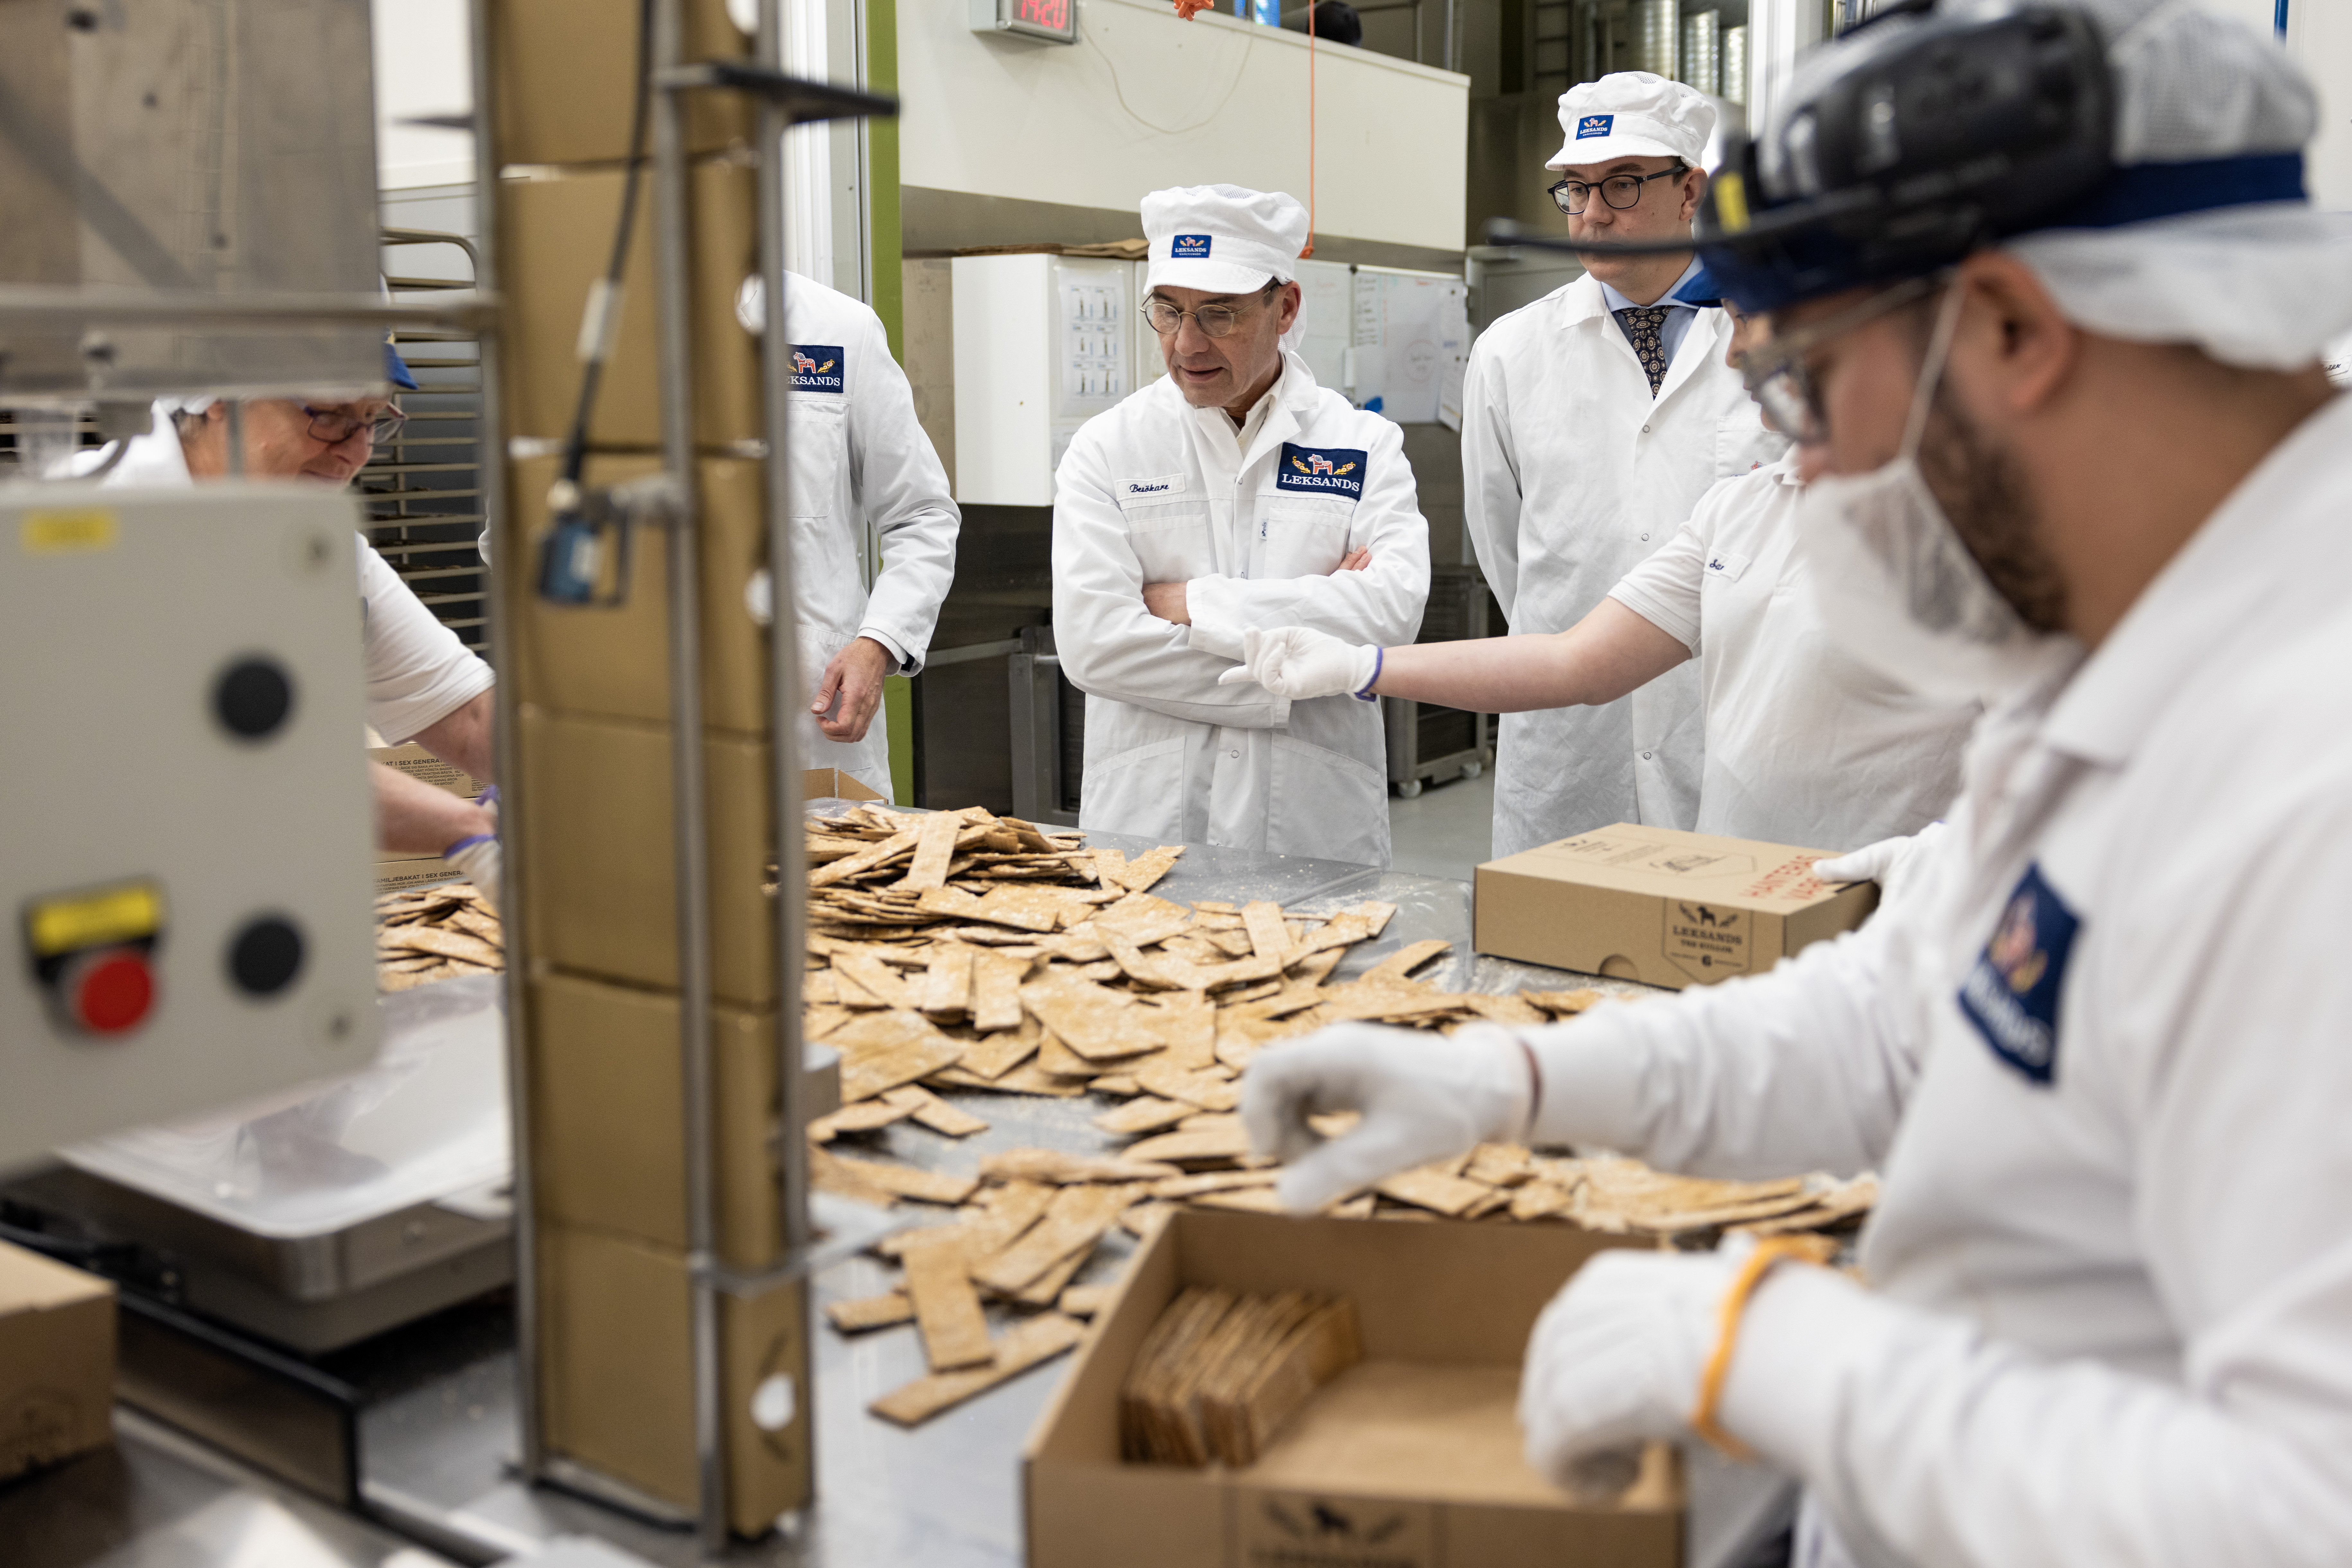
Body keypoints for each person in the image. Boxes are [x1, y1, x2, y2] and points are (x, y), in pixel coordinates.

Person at [1242, 3, 2352, 1565]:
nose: (1802, 475)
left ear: (2020, 334)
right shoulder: (2116, 654)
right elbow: (1907, 1008)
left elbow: (2301, 1512)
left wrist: (1770, 1353)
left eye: (1811, 397)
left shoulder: (2310, 770)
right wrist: (1526, 1085)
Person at [1221, 301, 1977, 851]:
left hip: (1899, 920)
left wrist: (1943, 860)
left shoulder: (1975, 523)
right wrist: (1362, 665)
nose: (1731, 354)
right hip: (1740, 899)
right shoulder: (1744, 508)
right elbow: (1573, 660)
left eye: (1751, 321)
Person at [1053, 184, 1431, 867]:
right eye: (1167, 311)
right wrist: (1299, 669)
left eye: (1218, 315)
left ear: (1283, 307)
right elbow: (1093, 646)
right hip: (1148, 822)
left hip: (1314, 820)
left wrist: (1188, 604)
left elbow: (1390, 616)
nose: (1185, 343)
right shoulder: (1108, 447)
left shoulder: (1363, 444)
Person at [1465, 71, 1786, 858]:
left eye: (1621, 184)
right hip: (1571, 748)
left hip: (1725, 723)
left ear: (1691, 192)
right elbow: (1502, 546)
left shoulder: (1769, 334)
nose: (1592, 213)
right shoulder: (1511, 350)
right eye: (1574, 189)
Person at [81, 346, 503, 900]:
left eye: (373, 421)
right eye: (329, 416)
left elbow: (470, 714)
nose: (355, 452)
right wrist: (465, 828)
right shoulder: (78, 530)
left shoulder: (318, 546)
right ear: (218, 399)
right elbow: (213, 758)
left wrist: (553, 766)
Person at [732, 268, 961, 800]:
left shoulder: (836, 330)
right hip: (646, 713)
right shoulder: (595, 334)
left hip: (811, 716)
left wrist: (878, 642)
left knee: (835, 878)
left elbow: (921, 514)